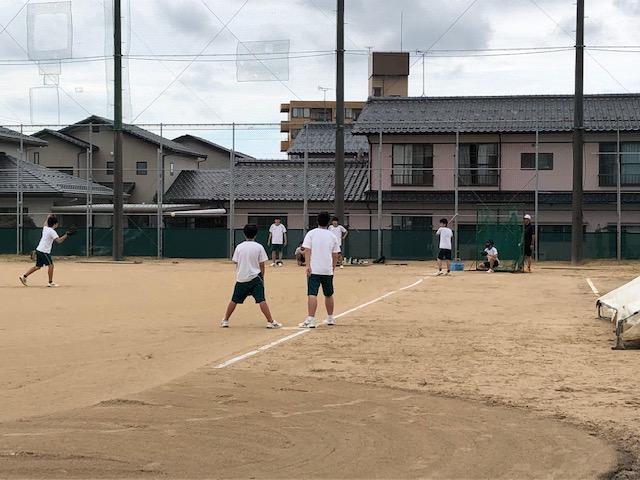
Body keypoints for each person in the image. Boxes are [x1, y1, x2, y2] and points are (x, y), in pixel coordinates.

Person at [221, 224, 282, 329]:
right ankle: (270, 321)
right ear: (255, 234)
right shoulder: (259, 247)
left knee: (234, 300)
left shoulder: (239, 247)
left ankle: (225, 320)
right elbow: (262, 264)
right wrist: (262, 278)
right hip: (255, 278)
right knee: (261, 300)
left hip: (241, 278)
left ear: (244, 234)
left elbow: (236, 262)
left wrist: (241, 272)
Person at [299, 211, 340, 329]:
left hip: (314, 269)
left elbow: (307, 250)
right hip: (327, 270)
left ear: (317, 221)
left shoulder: (311, 234)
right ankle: (330, 318)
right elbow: (335, 254)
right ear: (329, 222)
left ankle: (311, 319)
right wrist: (332, 268)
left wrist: (307, 265)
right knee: (328, 294)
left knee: (312, 294)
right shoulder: (332, 236)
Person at [19, 215, 72, 287]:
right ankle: (50, 282)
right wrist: (67, 235)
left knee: (38, 266)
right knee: (51, 266)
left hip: (39, 250)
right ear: (55, 224)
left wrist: (48, 217)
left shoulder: (45, 228)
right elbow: (59, 241)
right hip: (44, 251)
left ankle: (24, 276)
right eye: (57, 223)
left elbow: (45, 223)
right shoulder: (52, 231)